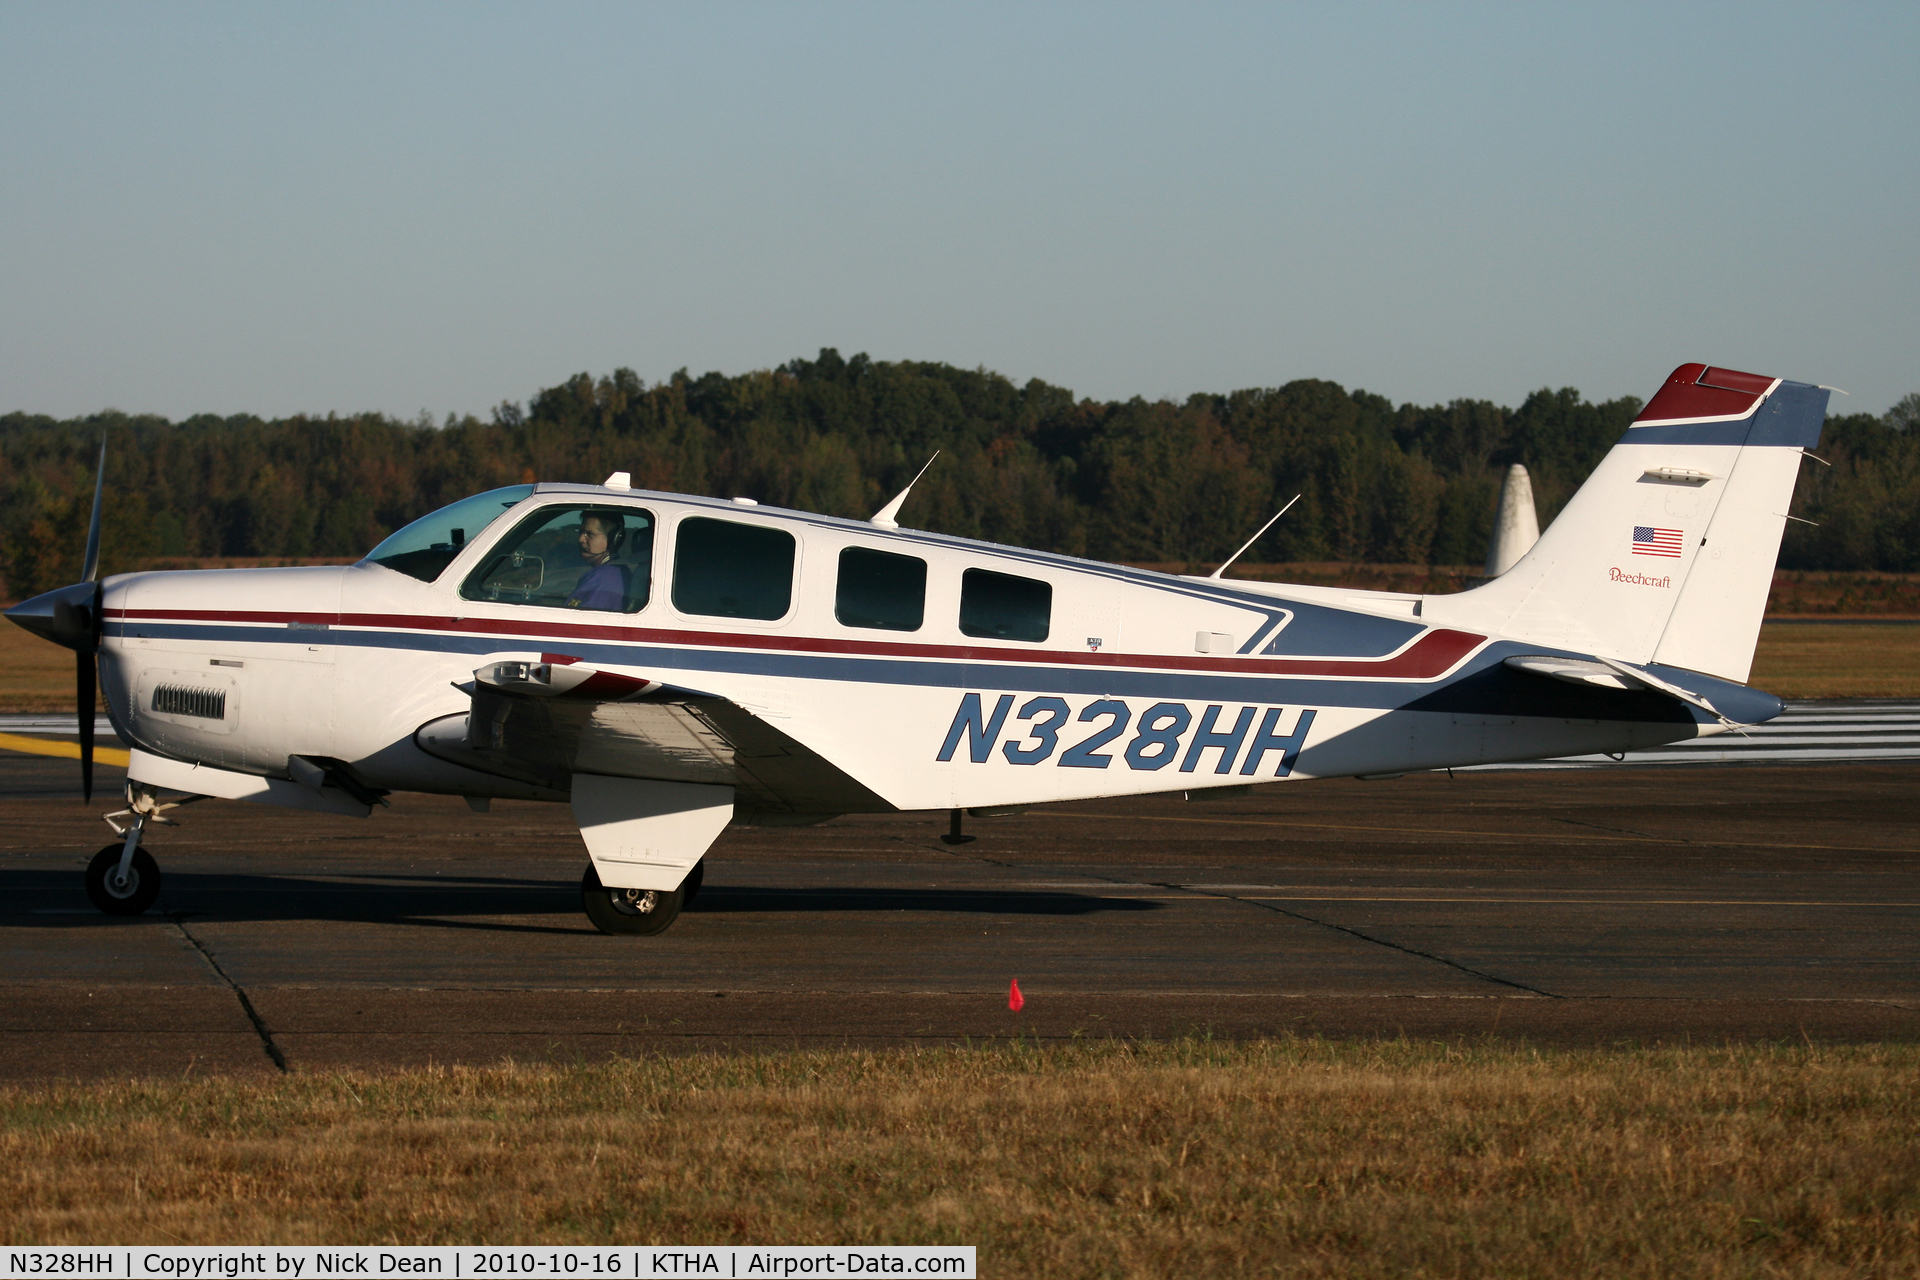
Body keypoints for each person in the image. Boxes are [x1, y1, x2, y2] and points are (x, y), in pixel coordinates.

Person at [566, 511, 628, 610]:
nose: (581, 539)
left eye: (590, 534)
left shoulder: (601, 578)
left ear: (613, 539)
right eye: (581, 533)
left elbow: (573, 617)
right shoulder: (619, 571)